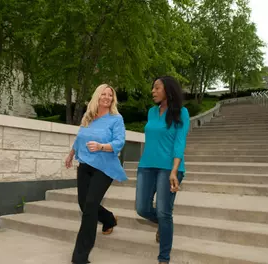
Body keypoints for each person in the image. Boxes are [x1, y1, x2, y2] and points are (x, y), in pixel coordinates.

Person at [65, 84, 127, 264]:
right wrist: (71, 154)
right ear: (97, 96)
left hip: (105, 167)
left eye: (110, 95)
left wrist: (101, 147)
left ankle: (80, 257)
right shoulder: (88, 115)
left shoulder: (116, 119)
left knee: (90, 205)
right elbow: (80, 137)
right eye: (104, 94)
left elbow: (119, 142)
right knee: (84, 204)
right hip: (85, 165)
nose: (107, 97)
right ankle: (108, 219)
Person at [135, 76, 190, 264]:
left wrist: (174, 170)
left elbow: (180, 141)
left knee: (164, 211)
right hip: (146, 165)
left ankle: (163, 258)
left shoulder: (181, 113)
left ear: (168, 90)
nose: (153, 91)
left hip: (169, 168)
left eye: (157, 88)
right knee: (142, 208)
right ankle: (163, 224)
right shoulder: (151, 112)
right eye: (153, 88)